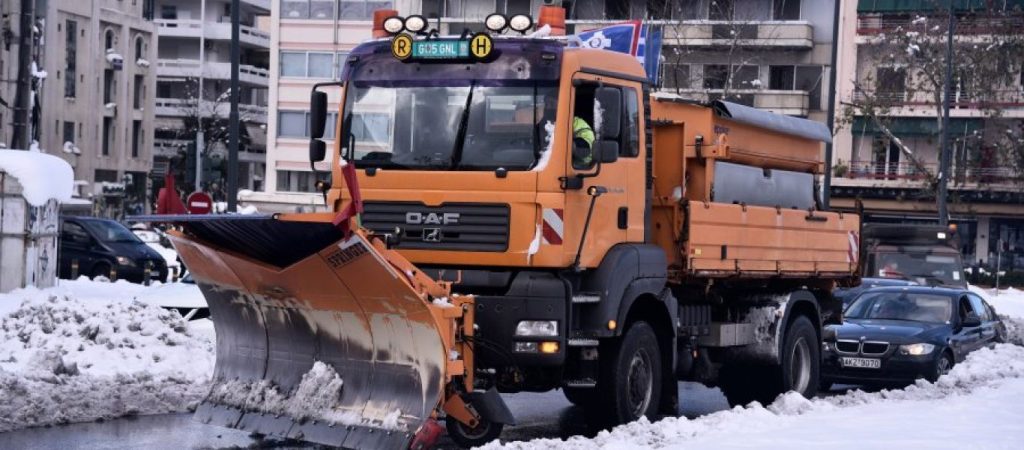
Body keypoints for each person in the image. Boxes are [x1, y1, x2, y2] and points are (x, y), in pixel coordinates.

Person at [536, 95, 595, 167]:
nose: (548, 107)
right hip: (541, 167)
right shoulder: (541, 125)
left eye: (551, 104)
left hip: (574, 168)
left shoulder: (575, 122)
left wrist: (571, 145)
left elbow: (587, 146)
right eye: (546, 104)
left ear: (561, 105)